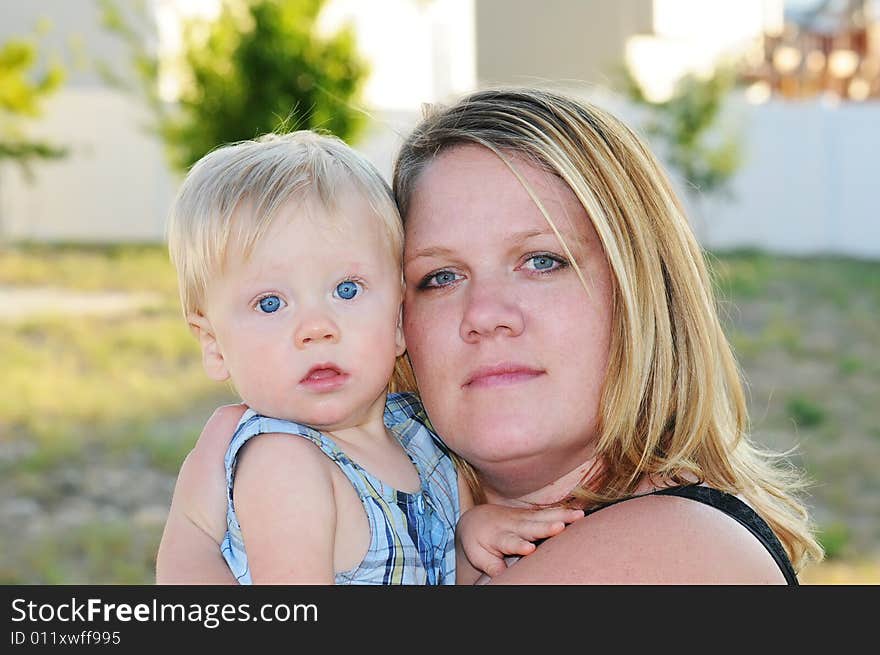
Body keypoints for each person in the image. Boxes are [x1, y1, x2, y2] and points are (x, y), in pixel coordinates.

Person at [157, 89, 824, 585]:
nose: (487, 313)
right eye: (440, 276)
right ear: (400, 323)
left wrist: (191, 538)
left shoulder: (685, 552)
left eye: (542, 260)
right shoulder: (386, 501)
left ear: (644, 291)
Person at [161, 129, 583, 585]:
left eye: (346, 290)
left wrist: (466, 538)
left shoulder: (426, 442)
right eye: (270, 303)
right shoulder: (285, 463)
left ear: (399, 320)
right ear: (214, 345)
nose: (316, 328)